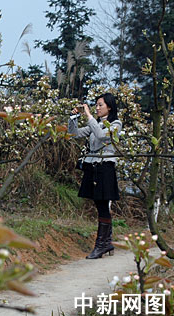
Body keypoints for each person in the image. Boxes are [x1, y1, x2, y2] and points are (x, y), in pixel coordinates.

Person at [68, 93, 122, 259]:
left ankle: (102, 245)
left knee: (102, 204)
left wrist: (89, 116)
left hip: (105, 167)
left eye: (100, 105)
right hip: (93, 165)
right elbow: (75, 134)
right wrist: (73, 117)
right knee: (99, 204)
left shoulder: (115, 124)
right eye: (96, 105)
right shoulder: (96, 123)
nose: (97, 108)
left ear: (109, 107)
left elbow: (101, 135)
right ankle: (107, 243)